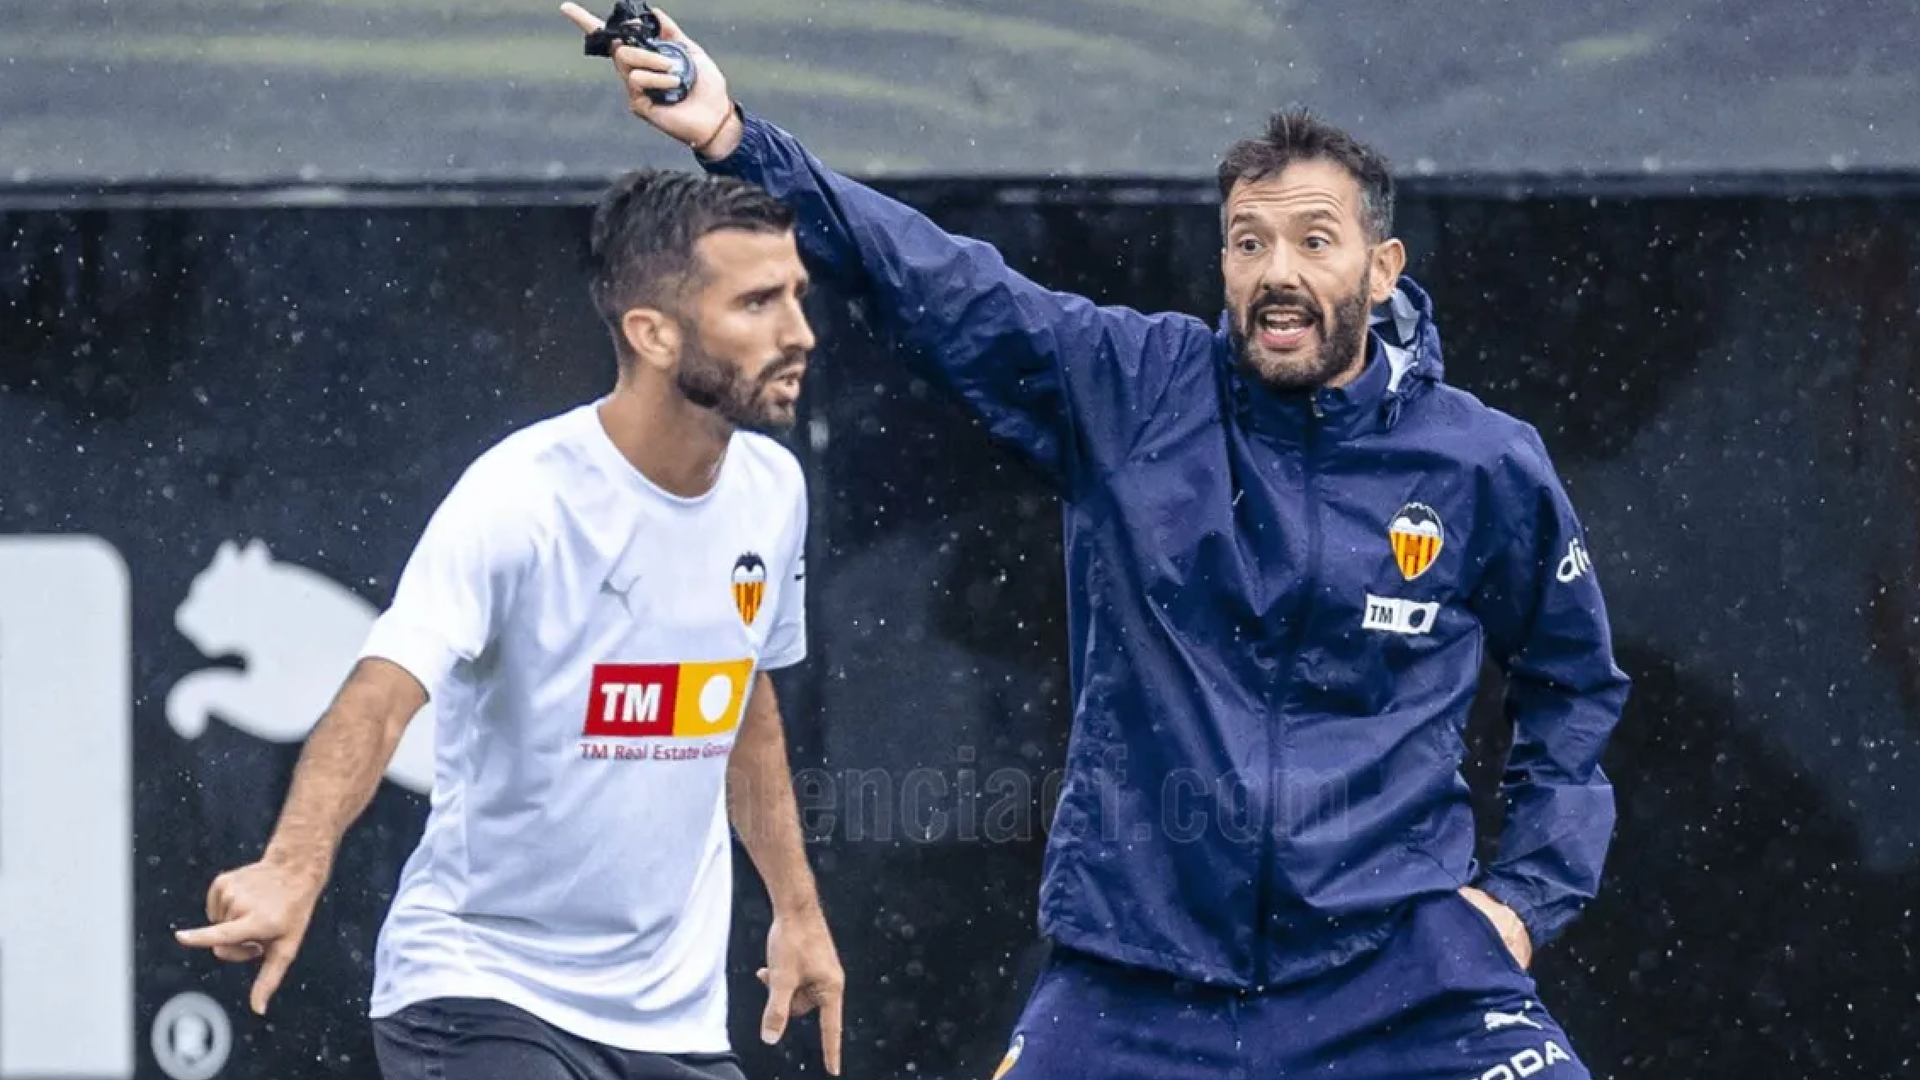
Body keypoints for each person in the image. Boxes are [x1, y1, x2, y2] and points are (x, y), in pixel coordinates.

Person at [566, 6, 1633, 1079]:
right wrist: (732, 139)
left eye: (1316, 242)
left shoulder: (1482, 461)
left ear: (1382, 265)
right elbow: (933, 283)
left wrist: (1524, 900)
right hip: (1136, 981)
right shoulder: (1136, 387)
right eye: (1250, 242)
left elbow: (1574, 683)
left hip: (1403, 978)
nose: (1278, 273)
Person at [175, 168, 847, 1080]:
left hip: (673, 1023)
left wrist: (796, 909)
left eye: (796, 296)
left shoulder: (775, 492)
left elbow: (741, 698)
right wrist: (294, 864)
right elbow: (378, 694)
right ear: (652, 333)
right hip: (481, 993)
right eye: (758, 302)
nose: (798, 333)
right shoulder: (520, 497)